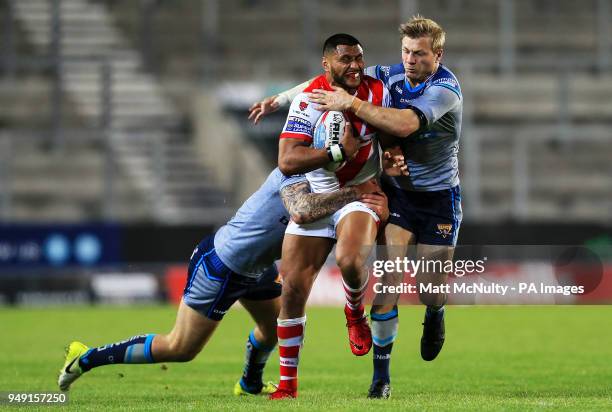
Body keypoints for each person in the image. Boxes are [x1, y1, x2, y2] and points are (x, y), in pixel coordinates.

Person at [249, 16, 463, 399]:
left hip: (439, 197)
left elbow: (402, 125)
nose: (410, 60)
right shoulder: (385, 77)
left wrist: (351, 104)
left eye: (419, 53)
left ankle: (434, 313)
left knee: (431, 287)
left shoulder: (445, 91)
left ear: (438, 55)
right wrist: (279, 99)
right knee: (389, 280)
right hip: (396, 194)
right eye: (406, 52)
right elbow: (329, 75)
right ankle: (381, 379)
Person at [57, 167, 389, 395]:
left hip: (257, 267)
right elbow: (300, 210)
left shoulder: (335, 176)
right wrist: (354, 194)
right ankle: (86, 357)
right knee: (180, 348)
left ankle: (249, 384)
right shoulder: (298, 165)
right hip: (222, 265)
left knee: (277, 328)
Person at [268, 33, 397, 400]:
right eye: (345, 60)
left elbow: (390, 136)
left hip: (361, 194)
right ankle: (288, 386)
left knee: (349, 259)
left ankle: (354, 311)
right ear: (327, 65)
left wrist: (393, 156)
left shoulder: (377, 91)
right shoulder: (309, 99)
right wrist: (334, 152)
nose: (355, 66)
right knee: (291, 288)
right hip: (320, 197)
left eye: (359, 58)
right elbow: (287, 160)